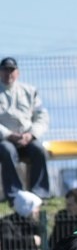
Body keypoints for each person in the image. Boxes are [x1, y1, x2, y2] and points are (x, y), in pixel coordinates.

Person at [0, 57, 51, 202]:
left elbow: (42, 117)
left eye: (11, 70)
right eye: (4, 70)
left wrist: (31, 135)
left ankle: (39, 194)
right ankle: (14, 195)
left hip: (27, 139)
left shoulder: (29, 91)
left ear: (18, 72)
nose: (8, 73)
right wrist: (9, 134)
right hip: (3, 140)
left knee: (39, 150)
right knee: (7, 150)